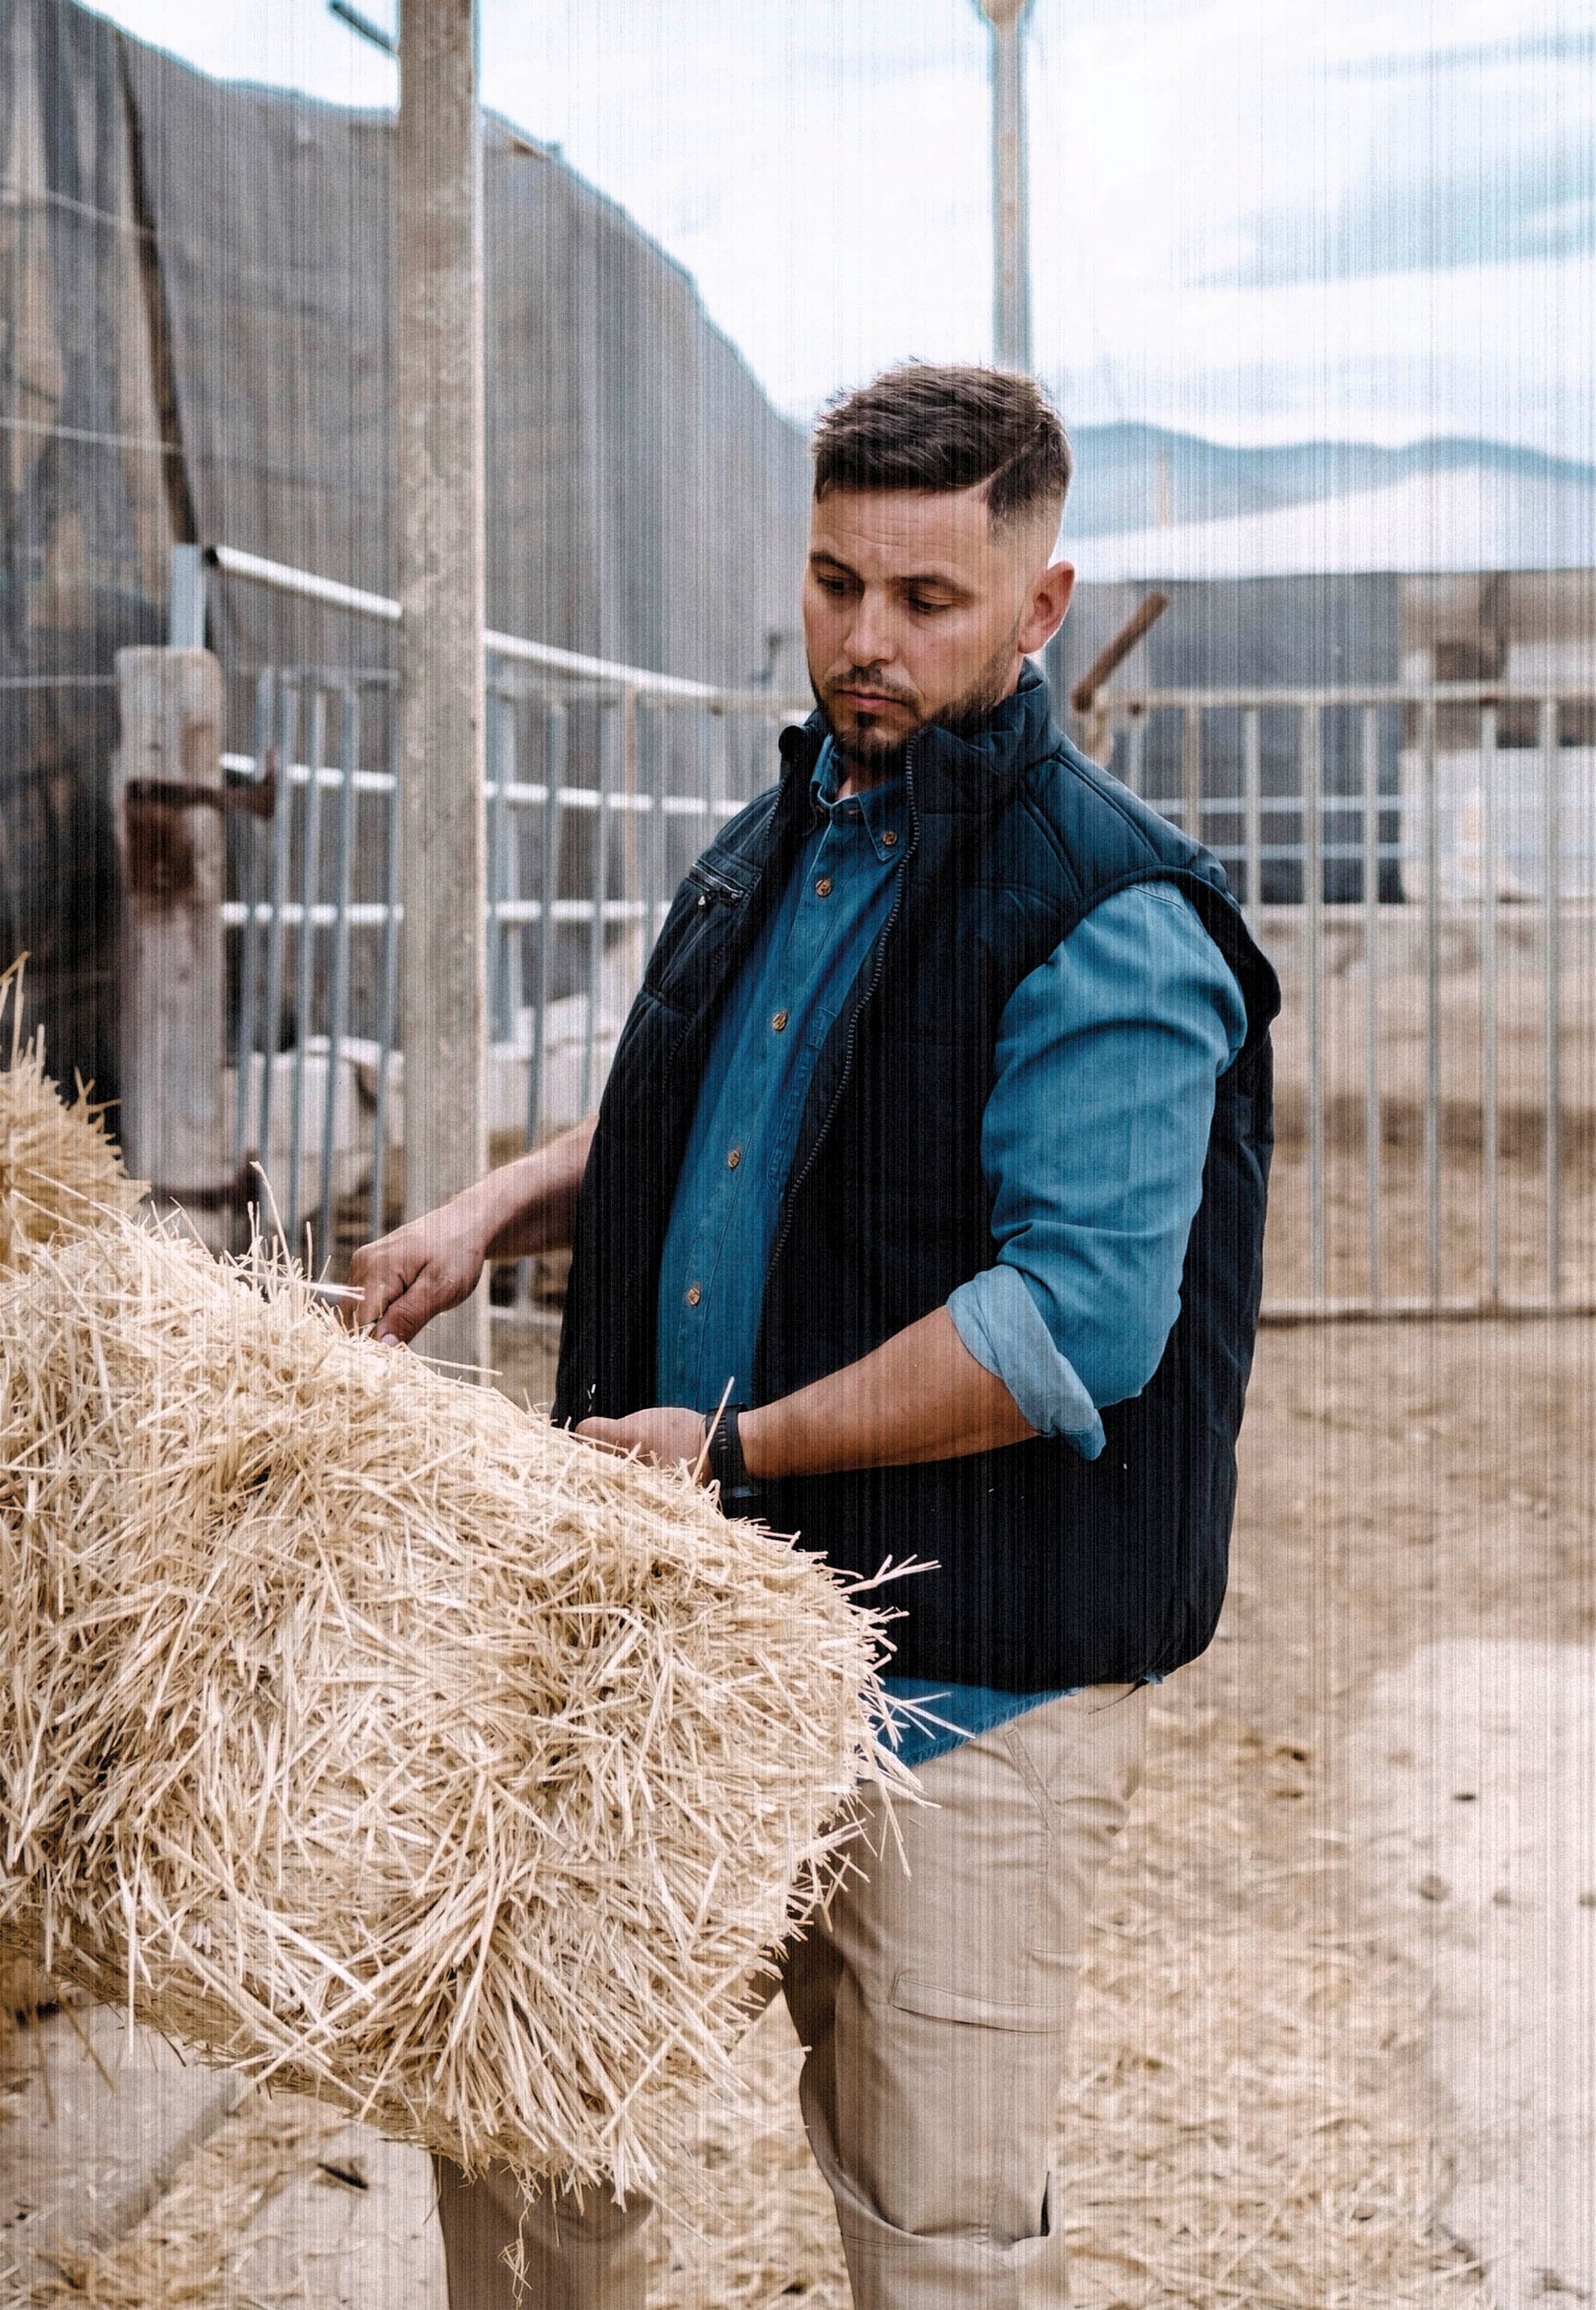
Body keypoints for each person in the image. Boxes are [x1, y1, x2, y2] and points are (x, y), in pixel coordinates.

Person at [351, 362, 1279, 2310]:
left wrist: (737, 1447)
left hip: (963, 1688)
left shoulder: (1110, 913)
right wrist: (483, 1213)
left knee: (933, 2228)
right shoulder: (795, 826)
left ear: (1041, 607)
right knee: (520, 2097)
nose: (867, 638)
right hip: (682, 1638)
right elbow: (709, 1113)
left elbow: (1070, 1331)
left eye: (929, 600)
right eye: (836, 579)